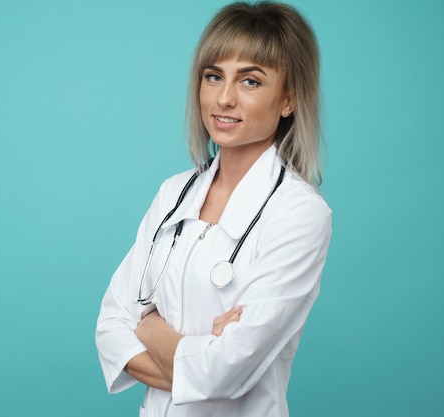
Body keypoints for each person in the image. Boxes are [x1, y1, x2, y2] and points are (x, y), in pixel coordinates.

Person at [95, 2, 332, 416]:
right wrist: (205, 352)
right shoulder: (173, 193)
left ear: (289, 98)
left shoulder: (298, 214)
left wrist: (148, 324)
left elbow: (225, 373)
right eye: (213, 76)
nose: (224, 98)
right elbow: (110, 327)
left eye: (251, 81)